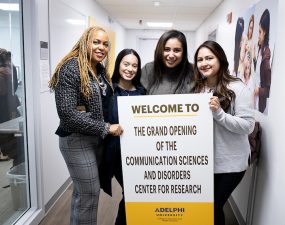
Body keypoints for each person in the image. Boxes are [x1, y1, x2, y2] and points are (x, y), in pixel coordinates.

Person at [49, 26, 123, 225]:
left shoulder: (99, 70)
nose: (101, 47)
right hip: (76, 140)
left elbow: (103, 103)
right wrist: (105, 127)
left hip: (95, 139)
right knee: (89, 195)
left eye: (105, 44)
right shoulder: (71, 67)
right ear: (85, 42)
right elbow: (68, 115)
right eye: (96, 42)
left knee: (82, 194)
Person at [193, 40, 255, 225]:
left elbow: (247, 126)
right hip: (206, 162)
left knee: (212, 207)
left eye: (209, 58)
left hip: (231, 164)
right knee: (210, 209)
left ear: (220, 59)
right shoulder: (198, 88)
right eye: (200, 59)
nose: (204, 63)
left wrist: (219, 114)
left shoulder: (238, 87)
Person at [101, 49, 146, 225]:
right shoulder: (108, 91)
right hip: (116, 154)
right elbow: (100, 122)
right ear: (119, 64)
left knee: (135, 193)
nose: (130, 69)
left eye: (134, 65)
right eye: (126, 64)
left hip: (139, 155)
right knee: (132, 192)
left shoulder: (142, 92)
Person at [141, 29, 194, 94]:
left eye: (177, 50)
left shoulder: (194, 71)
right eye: (166, 49)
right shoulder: (148, 69)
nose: (171, 55)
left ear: (183, 52)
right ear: (160, 50)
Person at [0, 48, 20, 161]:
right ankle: (8, 151)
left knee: (6, 128)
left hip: (5, 103)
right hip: (11, 102)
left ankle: (6, 151)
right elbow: (15, 86)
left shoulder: (8, 68)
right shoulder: (11, 66)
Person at [254, 9, 271, 114]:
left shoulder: (266, 57)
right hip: (255, 105)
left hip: (261, 108)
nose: (258, 35)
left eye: (260, 32)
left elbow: (269, 91)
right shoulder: (260, 50)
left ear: (265, 32)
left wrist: (258, 91)